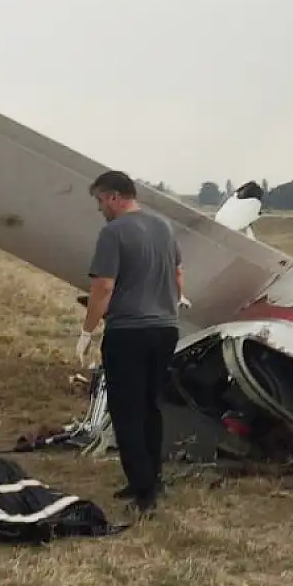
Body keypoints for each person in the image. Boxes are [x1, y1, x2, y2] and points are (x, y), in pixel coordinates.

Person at [81, 170, 183, 513]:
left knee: (126, 411)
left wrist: (87, 329)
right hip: (166, 329)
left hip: (129, 332)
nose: (99, 208)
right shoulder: (164, 227)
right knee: (152, 407)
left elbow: (104, 287)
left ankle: (144, 494)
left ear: (113, 196)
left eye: (99, 200)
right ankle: (151, 479)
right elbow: (179, 274)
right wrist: (171, 302)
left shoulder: (112, 233)